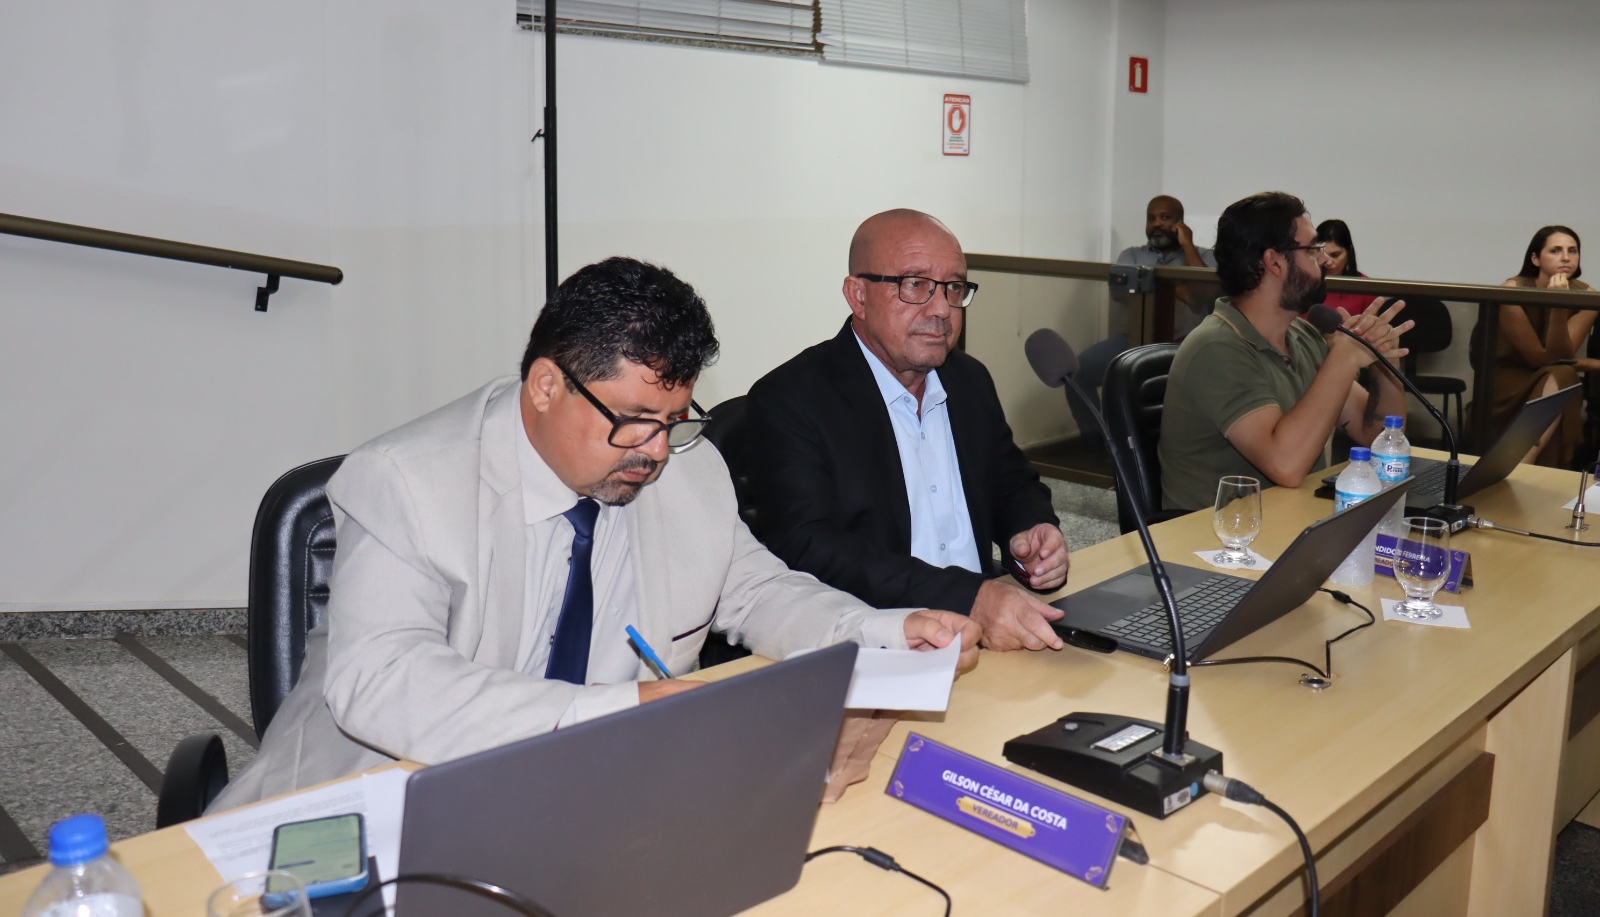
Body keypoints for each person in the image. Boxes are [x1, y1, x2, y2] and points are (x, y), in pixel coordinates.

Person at [211, 257, 980, 810]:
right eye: (634, 420)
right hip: (380, 804)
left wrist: (882, 631)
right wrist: (613, 714)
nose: (656, 451)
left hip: (594, 802)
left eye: (674, 420)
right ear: (547, 385)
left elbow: (759, 592)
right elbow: (382, 681)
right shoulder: (406, 481)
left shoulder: (687, 473)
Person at [746, 210, 1071, 654]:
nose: (941, 309)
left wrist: (1030, 532)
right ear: (858, 296)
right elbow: (808, 548)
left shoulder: (969, 380)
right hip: (876, 645)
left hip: (989, 634)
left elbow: (1010, 481)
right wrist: (967, 597)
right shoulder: (792, 398)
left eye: (954, 287)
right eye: (915, 284)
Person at [1158, 192, 1412, 512]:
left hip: (1288, 518)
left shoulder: (1303, 337)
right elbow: (1286, 466)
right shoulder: (1216, 349)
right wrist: (1345, 357)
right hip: (1219, 534)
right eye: (1313, 249)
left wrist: (1384, 362)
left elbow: (1378, 433)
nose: (1324, 260)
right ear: (1274, 261)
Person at [1069, 195, 1218, 449]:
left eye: (1165, 217)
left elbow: (1205, 294)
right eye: (1151, 218)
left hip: (1182, 347)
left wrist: (1188, 245)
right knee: (1076, 372)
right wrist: (1179, 290)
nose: (1157, 223)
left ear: (1180, 223)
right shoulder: (1132, 255)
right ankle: (1100, 445)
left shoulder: (1205, 256)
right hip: (1131, 341)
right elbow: (1118, 292)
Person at [1490, 225, 1598, 467]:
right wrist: (1558, 305)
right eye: (1555, 251)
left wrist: (1558, 306)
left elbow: (1561, 355)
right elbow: (1538, 359)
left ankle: (1526, 463)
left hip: (1554, 374)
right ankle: (1524, 464)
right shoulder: (1512, 291)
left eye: (1572, 251)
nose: (1566, 258)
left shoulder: (1588, 295)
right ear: (1536, 259)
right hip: (1508, 377)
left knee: (1563, 374)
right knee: (1563, 375)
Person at [1313, 219, 1373, 319]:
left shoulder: (1366, 287)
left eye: (1335, 255)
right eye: (1322, 254)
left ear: (1349, 252)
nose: (1328, 262)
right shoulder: (1301, 284)